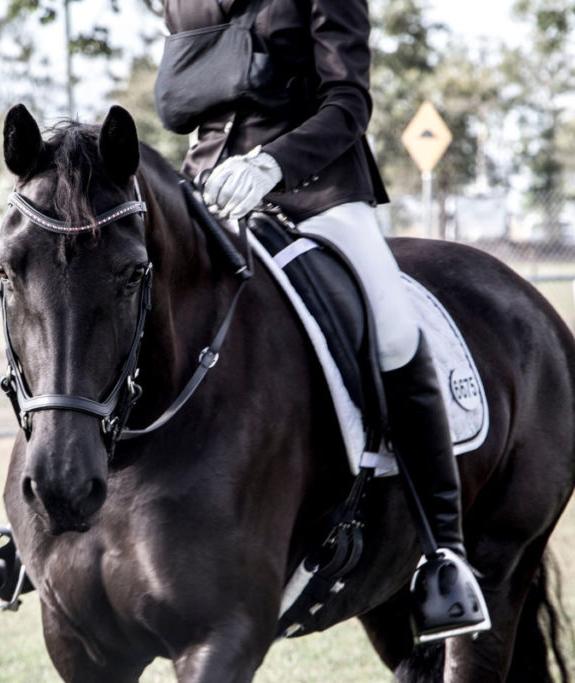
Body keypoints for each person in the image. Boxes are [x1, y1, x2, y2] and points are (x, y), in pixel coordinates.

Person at [160, 0, 490, 641]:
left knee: (393, 327)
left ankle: (444, 556)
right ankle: (47, 522)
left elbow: (347, 102)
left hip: (315, 188)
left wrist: (274, 163)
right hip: (207, 188)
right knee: (111, 292)